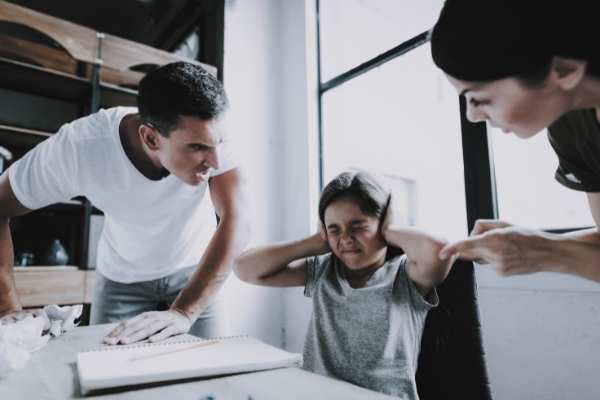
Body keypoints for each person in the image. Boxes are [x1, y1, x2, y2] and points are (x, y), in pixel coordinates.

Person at [0, 62, 250, 344]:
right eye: (197, 148)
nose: (216, 162)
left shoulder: (215, 135)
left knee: (213, 370)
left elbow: (237, 219)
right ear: (151, 138)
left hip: (196, 270)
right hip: (122, 279)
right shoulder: (81, 147)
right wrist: (8, 309)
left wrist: (184, 310)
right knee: (106, 374)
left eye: (219, 146)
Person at [234, 171, 455, 398]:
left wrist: (390, 231)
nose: (346, 239)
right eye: (335, 229)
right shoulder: (323, 270)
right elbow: (244, 269)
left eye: (358, 226)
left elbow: (439, 250)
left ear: (382, 225)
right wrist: (314, 242)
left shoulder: (405, 277)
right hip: (320, 395)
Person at [430, 0, 600, 282]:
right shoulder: (573, 124)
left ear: (564, 70)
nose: (472, 116)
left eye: (480, 99)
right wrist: (534, 242)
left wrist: (547, 253)